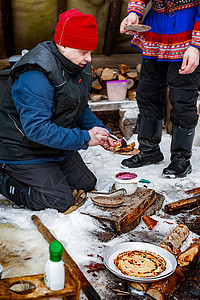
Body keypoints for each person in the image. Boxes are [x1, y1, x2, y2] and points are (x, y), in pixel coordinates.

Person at [0, 9, 116, 213]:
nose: (89, 59)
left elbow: (79, 107)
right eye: (83, 51)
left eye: (91, 51)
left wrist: (100, 129)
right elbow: (36, 129)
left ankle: (51, 171)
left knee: (86, 184)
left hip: (54, 145)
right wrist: (85, 138)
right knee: (60, 201)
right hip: (23, 149)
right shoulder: (35, 74)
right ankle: (4, 179)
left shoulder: (78, 65)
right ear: (63, 44)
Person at [120, 0, 200, 178]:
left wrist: (197, 45)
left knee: (182, 100)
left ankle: (181, 159)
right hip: (156, 30)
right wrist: (134, 13)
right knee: (147, 93)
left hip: (188, 30)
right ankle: (149, 151)